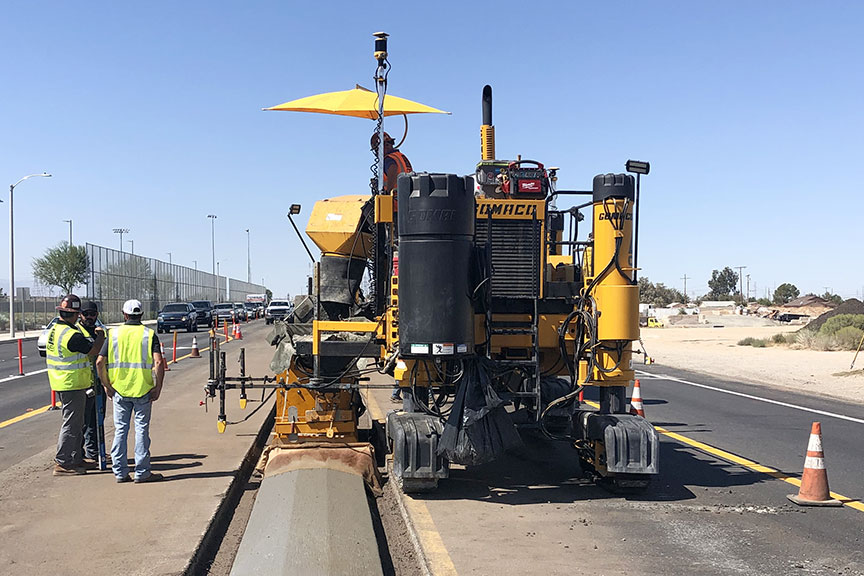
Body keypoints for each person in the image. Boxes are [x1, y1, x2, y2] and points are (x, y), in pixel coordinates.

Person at [96, 299, 166, 483]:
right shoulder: (148, 334)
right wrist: (157, 387)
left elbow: (99, 362)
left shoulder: (113, 334)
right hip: (143, 389)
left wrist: (106, 385)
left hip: (119, 389)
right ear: (141, 315)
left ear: (124, 315)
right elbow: (159, 362)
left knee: (121, 430)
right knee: (141, 430)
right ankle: (142, 472)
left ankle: (120, 472)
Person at [45, 294, 105, 476]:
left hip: (64, 381)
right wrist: (100, 335)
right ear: (76, 314)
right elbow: (94, 350)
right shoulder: (71, 335)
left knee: (77, 423)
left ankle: (76, 457)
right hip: (71, 383)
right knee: (72, 424)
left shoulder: (55, 329)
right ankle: (63, 462)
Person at [78, 300, 107, 468]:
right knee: (83, 421)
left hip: (98, 381)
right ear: (80, 315)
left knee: (97, 419)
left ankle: (94, 452)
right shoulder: (78, 332)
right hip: (83, 382)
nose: (89, 317)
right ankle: (79, 453)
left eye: (92, 314)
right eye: (85, 314)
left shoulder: (100, 331)